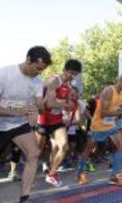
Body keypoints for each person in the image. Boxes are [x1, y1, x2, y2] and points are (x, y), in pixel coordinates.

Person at [0, 46, 51, 203]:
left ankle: (25, 197)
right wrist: (17, 112)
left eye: (42, 70)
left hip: (19, 125)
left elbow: (39, 105)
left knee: (34, 153)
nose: (39, 72)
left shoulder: (37, 81)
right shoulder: (4, 74)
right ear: (28, 60)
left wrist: (39, 109)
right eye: (38, 68)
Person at [76, 73, 122, 186]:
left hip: (111, 126)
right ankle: (80, 173)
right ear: (120, 80)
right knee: (88, 149)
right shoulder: (108, 91)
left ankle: (113, 176)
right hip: (98, 125)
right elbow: (103, 113)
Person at [36, 59, 82, 187]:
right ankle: (29, 176)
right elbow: (49, 104)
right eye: (71, 73)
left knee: (64, 146)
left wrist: (68, 108)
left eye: (75, 74)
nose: (72, 76)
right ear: (65, 70)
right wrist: (66, 104)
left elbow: (68, 105)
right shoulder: (54, 81)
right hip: (44, 119)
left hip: (57, 120)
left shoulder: (69, 86)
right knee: (37, 152)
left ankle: (51, 174)